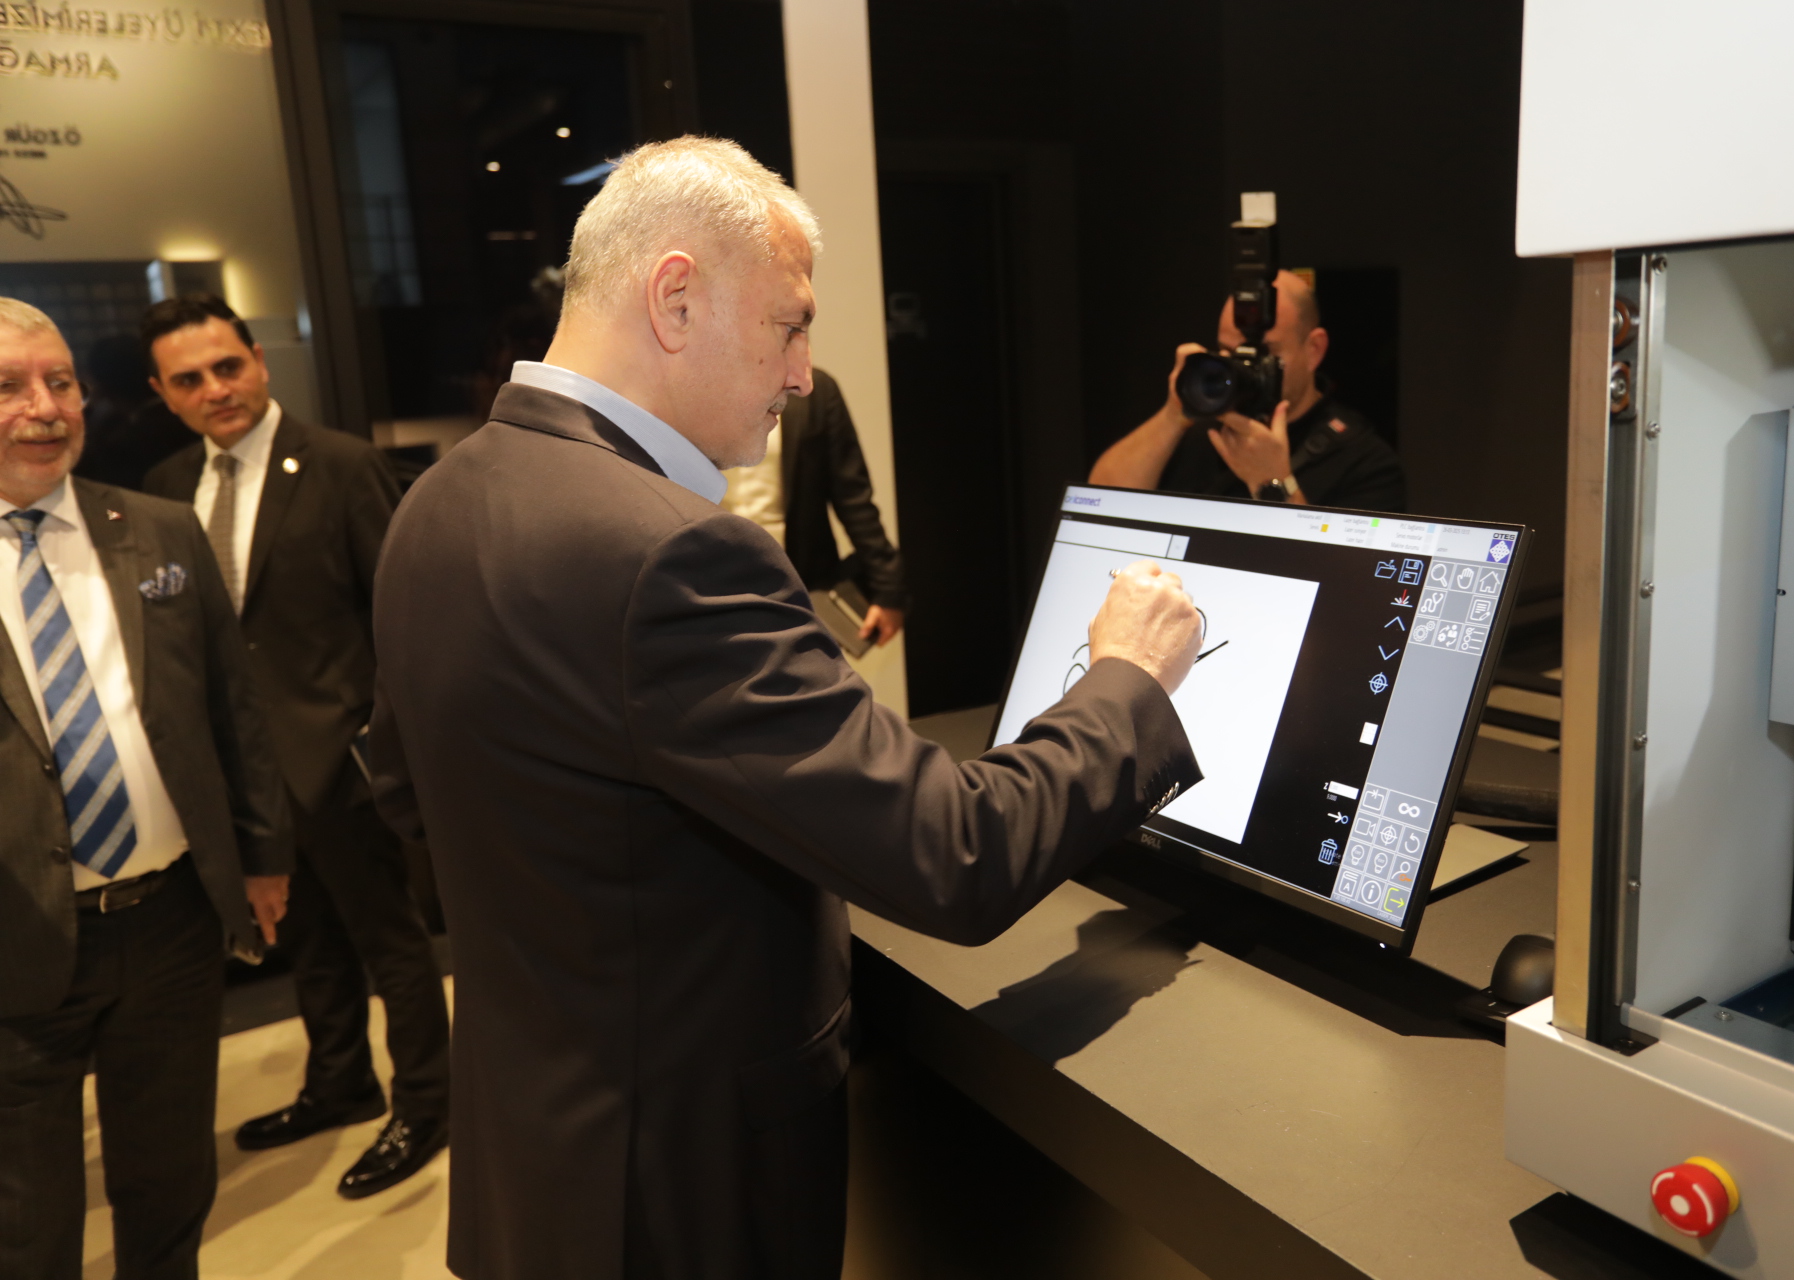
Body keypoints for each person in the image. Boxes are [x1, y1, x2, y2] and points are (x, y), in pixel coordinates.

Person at [370, 136, 1204, 1280]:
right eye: (790, 325)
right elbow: (958, 852)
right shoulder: (673, 552)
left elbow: (409, 794)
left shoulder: (437, 500)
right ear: (675, 299)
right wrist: (1128, 677)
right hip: (680, 1187)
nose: (805, 373)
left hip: (541, 1157)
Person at [0, 298, 292, 1280]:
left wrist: (262, 856)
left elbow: (231, 708)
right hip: (16, 938)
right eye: (8, 387)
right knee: (28, 1225)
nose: (44, 407)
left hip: (170, 924)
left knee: (169, 1189)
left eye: (60, 382)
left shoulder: (159, 529)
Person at [140, 295, 453, 1199]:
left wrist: (377, 742)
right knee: (303, 938)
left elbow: (405, 616)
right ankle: (339, 1084)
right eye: (189, 379)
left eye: (227, 366)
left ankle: (427, 1104)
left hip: (341, 761)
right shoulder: (165, 487)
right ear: (163, 393)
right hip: (243, 774)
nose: (215, 389)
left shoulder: (342, 465)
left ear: (260, 361)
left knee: (392, 944)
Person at [1089, 269, 1407, 511]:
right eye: (1230, 352)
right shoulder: (1201, 426)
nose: (1241, 368)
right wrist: (1175, 412)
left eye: (1262, 354)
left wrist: (1273, 482)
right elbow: (1103, 503)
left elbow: (1336, 573)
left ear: (1314, 350)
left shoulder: (1366, 463)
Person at [719, 366, 908, 645]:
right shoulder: (695, 383)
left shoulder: (815, 390)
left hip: (797, 580)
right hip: (713, 577)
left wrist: (888, 588)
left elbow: (853, 496)